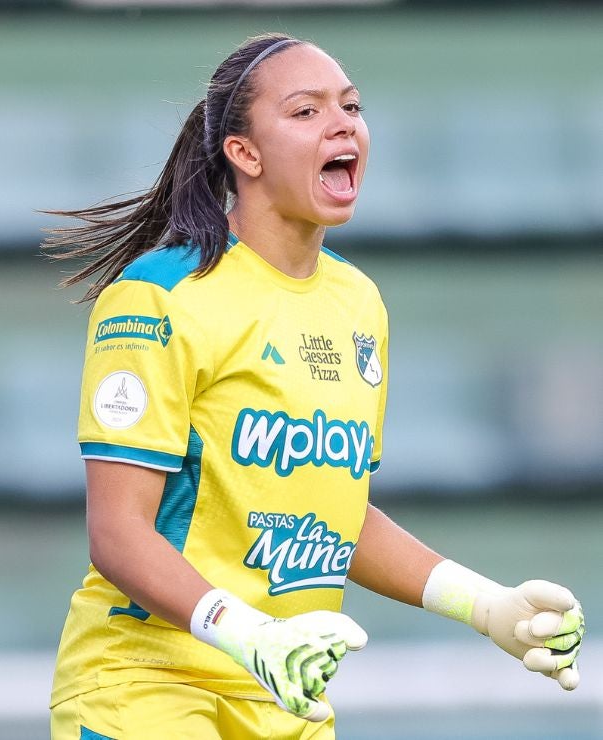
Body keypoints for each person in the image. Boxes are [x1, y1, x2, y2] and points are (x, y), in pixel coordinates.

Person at [46, 33, 584, 739]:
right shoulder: (160, 296)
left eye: (352, 106)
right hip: (149, 685)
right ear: (245, 154)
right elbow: (117, 535)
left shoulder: (358, 303)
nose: (343, 124)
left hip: (287, 693)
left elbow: (334, 511)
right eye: (306, 112)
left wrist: (486, 606)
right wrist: (245, 631)